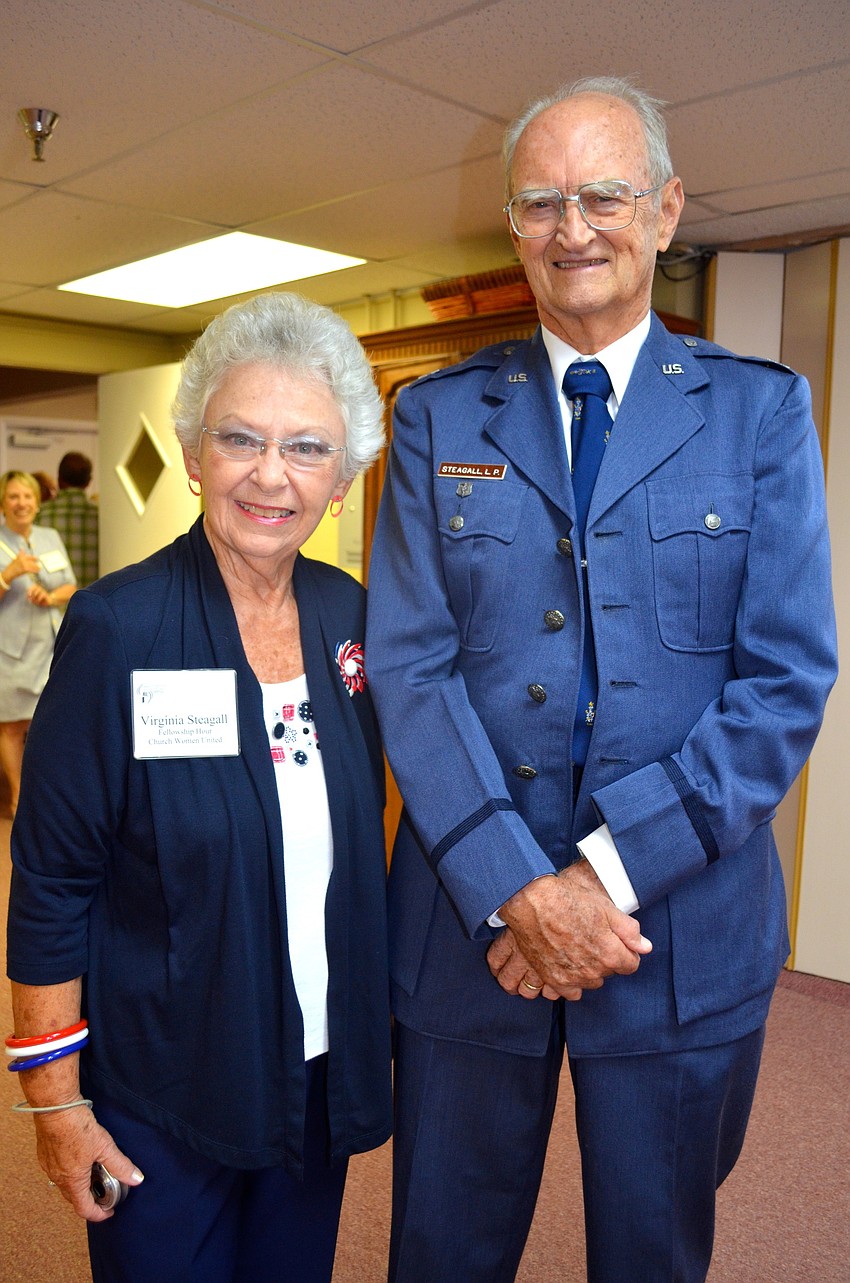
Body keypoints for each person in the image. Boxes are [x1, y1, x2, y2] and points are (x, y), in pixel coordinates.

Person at [366, 76, 838, 1283]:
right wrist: (517, 889)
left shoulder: (758, 413)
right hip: (471, 921)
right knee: (442, 1249)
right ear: (512, 227)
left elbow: (784, 678)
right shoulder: (435, 418)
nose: (571, 227)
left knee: (651, 1251)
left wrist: (594, 881)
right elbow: (411, 666)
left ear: (665, 211)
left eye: (603, 196)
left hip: (676, 932)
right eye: (540, 202)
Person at [6, 292, 391, 1283]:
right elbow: (51, 879)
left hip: (313, 1078)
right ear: (192, 454)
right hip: (163, 1087)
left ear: (341, 479)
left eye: (306, 448)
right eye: (241, 438)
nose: (271, 473)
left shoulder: (349, 618)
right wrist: (55, 1100)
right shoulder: (118, 627)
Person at [0, 470, 77, 817]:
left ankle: (43, 796)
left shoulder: (50, 537)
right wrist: (9, 574)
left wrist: (50, 597)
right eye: (14, 497)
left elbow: (70, 586)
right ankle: (18, 799)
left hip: (50, 646)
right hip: (10, 650)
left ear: (37, 502)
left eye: (27, 496)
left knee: (49, 724)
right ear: (3, 503)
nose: (22, 503)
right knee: (12, 725)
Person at [36, 450, 100, 587]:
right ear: (89, 482)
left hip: (54, 597)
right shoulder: (101, 517)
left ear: (59, 479)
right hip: (96, 596)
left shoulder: (39, 515)